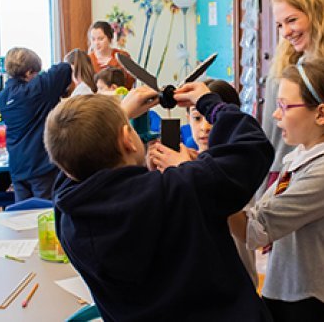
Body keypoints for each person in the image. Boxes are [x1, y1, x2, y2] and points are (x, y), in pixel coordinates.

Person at [44, 85, 274, 321]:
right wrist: (210, 103)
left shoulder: (68, 214)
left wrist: (113, 119)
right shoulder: (182, 188)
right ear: (127, 140)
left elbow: (74, 162)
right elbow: (253, 147)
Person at [230, 60, 324, 322]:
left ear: (321, 114)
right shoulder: (300, 156)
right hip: (288, 292)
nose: (275, 114)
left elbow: (254, 230)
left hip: (311, 305)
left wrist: (204, 183)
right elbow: (264, 214)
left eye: (284, 106)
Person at [147, 79, 258, 287]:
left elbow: (243, 233)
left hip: (236, 283)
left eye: (212, 119)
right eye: (197, 118)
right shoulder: (185, 162)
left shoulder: (237, 169)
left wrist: (191, 174)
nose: (204, 128)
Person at [259, 0, 324, 195]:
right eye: (280, 25)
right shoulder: (283, 69)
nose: (285, 32)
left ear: (317, 15)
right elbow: (270, 134)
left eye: (291, 20)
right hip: (285, 169)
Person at [0, 47, 72, 201]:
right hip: (41, 166)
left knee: (22, 216)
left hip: (17, 167)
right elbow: (64, 68)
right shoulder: (38, 89)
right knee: (46, 216)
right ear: (29, 73)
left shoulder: (2, 97)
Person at [88, 21, 135, 89]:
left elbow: (131, 80)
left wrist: (114, 64)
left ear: (110, 38)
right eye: (93, 39)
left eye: (100, 39)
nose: (96, 43)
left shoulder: (122, 55)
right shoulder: (87, 59)